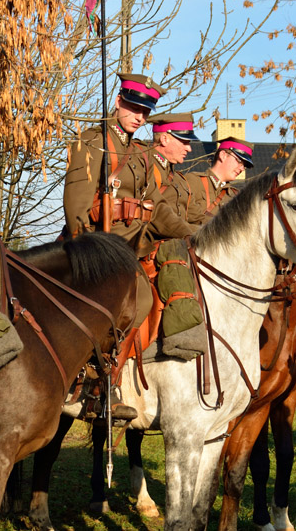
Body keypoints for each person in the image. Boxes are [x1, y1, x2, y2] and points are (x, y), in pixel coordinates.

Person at [62, 74, 195, 421]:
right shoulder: (93, 142)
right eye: (134, 107)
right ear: (119, 102)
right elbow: (76, 207)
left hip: (131, 246)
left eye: (146, 111)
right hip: (97, 246)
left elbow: (157, 207)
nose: (139, 117)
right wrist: (87, 253)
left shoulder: (140, 154)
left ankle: (112, 377)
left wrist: (192, 234)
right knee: (141, 298)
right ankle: (95, 378)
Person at [174, 136, 254, 226]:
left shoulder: (235, 196)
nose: (242, 168)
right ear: (223, 155)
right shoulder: (193, 181)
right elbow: (177, 218)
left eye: (245, 165)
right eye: (239, 161)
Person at [148, 113, 200, 222]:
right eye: (184, 142)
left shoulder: (180, 179)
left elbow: (196, 217)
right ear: (164, 139)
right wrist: (189, 233)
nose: (189, 149)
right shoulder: (145, 167)